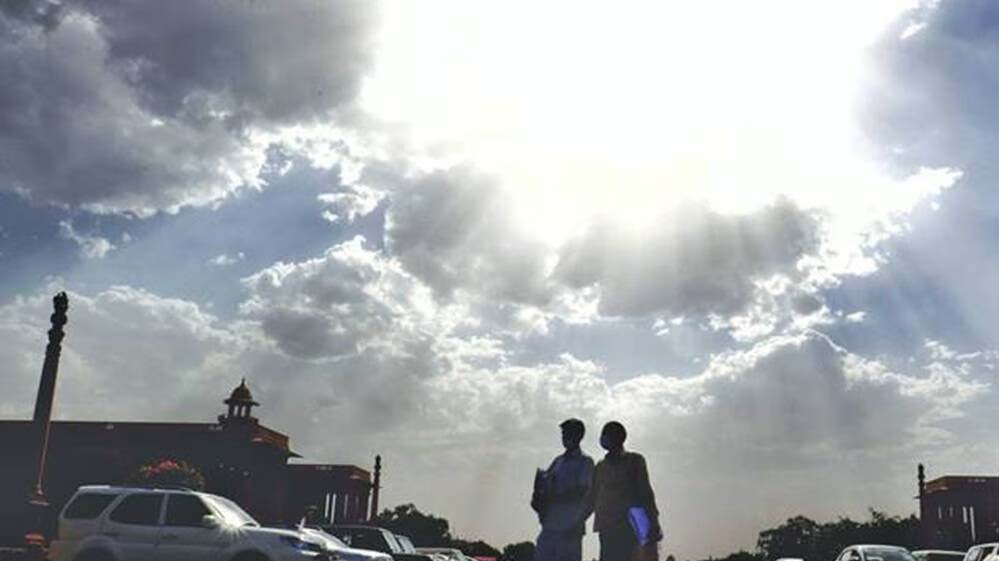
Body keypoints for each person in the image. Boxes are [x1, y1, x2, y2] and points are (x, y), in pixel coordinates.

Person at [588, 421, 662, 561]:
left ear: (618, 438)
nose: (603, 438)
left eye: (606, 434)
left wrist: (653, 521)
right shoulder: (600, 467)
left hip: (631, 526)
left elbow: (646, 493)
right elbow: (592, 498)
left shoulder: (634, 461)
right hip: (607, 528)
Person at [532, 418, 595, 561]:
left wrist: (555, 497)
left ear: (578, 436)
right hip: (550, 525)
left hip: (570, 527)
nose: (564, 437)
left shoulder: (585, 462)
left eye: (568, 433)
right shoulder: (558, 461)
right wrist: (539, 497)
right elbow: (546, 486)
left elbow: (582, 492)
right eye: (563, 434)